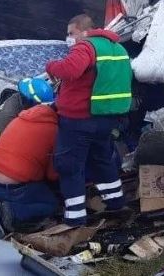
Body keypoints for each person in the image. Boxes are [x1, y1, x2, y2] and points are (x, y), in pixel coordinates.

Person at [46, 14, 132, 227]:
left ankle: (75, 219)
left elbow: (69, 70)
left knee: (70, 166)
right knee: (102, 160)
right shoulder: (117, 49)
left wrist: (51, 66)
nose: (69, 38)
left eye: (70, 33)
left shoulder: (85, 46)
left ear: (84, 31)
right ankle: (116, 204)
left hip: (78, 119)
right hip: (105, 119)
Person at [0, 87, 60, 231]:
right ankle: (12, 212)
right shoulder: (55, 131)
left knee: (0, 150)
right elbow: (52, 175)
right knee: (50, 203)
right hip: (10, 187)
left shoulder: (18, 119)